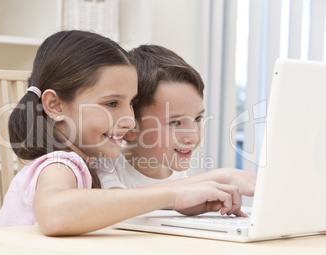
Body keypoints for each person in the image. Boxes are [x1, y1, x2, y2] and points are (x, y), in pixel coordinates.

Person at [0, 30, 246, 236]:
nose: (129, 119)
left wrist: (186, 199)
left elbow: (123, 204)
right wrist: (174, 194)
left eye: (131, 103)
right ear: (55, 106)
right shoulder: (60, 163)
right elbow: (55, 214)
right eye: (112, 104)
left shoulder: (94, 164)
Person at [96, 44, 256, 200]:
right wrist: (220, 178)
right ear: (131, 127)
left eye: (197, 119)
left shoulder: (178, 175)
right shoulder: (106, 166)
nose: (192, 138)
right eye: (175, 123)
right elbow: (122, 202)